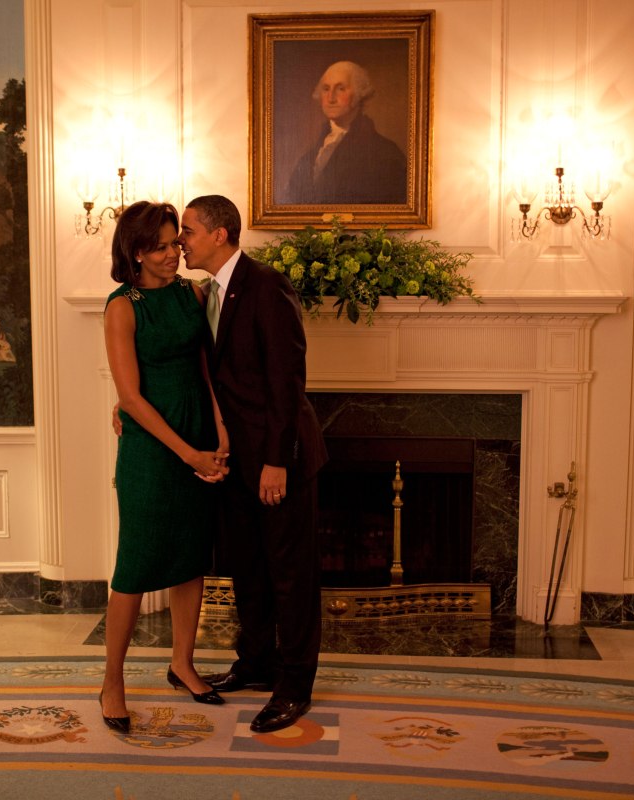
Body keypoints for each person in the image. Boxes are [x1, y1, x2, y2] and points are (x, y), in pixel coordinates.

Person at [179, 194, 329, 734]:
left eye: (189, 232)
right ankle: (257, 663)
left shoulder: (266, 284)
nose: (181, 242)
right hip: (235, 463)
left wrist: (276, 461)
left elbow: (288, 380)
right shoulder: (205, 293)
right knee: (250, 573)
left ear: (220, 233)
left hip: (276, 460)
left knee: (291, 576)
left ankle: (295, 685)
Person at [100, 200, 231, 732]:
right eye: (161, 246)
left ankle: (182, 662)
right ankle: (113, 679)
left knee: (189, 556)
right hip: (153, 450)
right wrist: (188, 453)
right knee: (134, 567)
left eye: (176, 242)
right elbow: (129, 397)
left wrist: (220, 433)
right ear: (136, 253)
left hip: (199, 429)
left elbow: (207, 367)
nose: (174, 252)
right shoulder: (122, 307)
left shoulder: (191, 293)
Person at [282, 60, 408, 205]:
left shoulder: (386, 154)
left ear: (359, 94)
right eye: (326, 89)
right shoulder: (308, 158)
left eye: (340, 89)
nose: (331, 98)